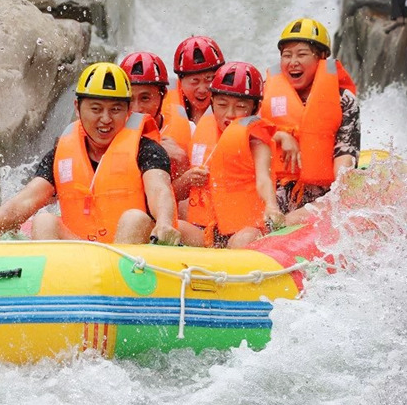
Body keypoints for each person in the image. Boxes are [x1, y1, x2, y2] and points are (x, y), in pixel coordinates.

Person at [0, 62, 182, 245]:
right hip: (80, 254)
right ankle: (53, 293)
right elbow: (26, 200)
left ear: (128, 111)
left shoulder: (148, 149)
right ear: (77, 107)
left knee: (134, 218)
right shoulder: (60, 156)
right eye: (95, 109)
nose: (105, 119)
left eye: (115, 109)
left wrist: (163, 222)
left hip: (132, 255)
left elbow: (159, 190)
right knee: (44, 221)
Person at [260, 18, 360, 222]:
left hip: (322, 195)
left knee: (293, 219)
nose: (293, 62)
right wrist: (279, 135)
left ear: (321, 57)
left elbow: (346, 156)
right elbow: (247, 135)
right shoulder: (265, 93)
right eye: (287, 55)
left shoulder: (343, 100)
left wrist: (336, 195)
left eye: (302, 54)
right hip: (274, 193)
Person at [179, 62, 284, 248]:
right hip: (209, 232)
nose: (229, 114)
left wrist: (271, 205)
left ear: (254, 108)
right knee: (176, 226)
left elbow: (264, 179)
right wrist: (188, 179)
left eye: (240, 106)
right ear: (212, 102)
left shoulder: (257, 141)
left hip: (245, 229)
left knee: (245, 238)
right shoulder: (203, 131)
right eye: (222, 105)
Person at [119, 51, 191, 179]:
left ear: (163, 94)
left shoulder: (191, 129)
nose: (136, 109)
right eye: (129, 99)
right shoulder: (108, 133)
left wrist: (182, 162)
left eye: (145, 98)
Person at [163, 36, 226, 128]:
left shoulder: (234, 108)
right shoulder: (160, 103)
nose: (202, 89)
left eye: (209, 79)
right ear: (180, 80)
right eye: (195, 81)